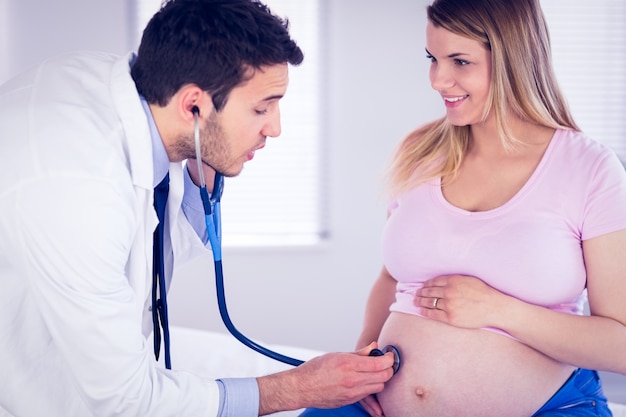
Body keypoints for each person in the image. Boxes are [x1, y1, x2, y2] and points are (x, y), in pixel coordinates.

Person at [0, 0, 396, 416]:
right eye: (261, 108)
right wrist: (299, 390)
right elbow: (124, 399)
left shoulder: (142, 100)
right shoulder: (75, 185)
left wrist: (202, 161)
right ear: (193, 105)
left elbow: (158, 246)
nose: (275, 128)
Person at [301, 0, 626, 416]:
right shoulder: (419, 152)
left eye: (459, 61)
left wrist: (499, 310)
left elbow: (619, 343)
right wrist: (363, 359)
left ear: (514, 60)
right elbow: (390, 278)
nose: (438, 80)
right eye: (432, 59)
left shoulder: (590, 168)